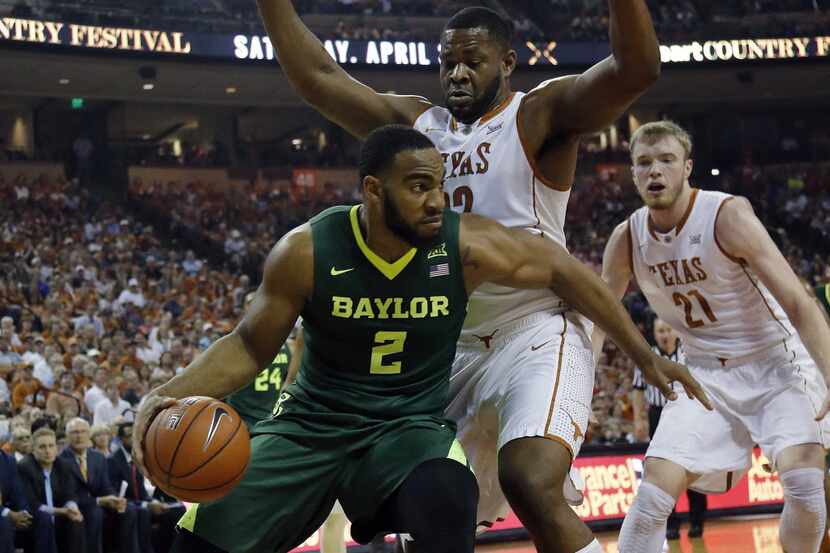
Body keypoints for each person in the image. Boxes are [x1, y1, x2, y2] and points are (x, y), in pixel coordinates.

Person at [132, 126, 705, 553]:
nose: (438, 200)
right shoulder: (307, 250)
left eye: (440, 184)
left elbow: (565, 271)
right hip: (312, 426)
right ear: (373, 192)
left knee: (449, 498)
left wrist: (643, 353)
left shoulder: (461, 245)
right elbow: (249, 346)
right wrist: (165, 394)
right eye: (419, 186)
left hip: (404, 429)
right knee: (198, 542)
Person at [256, 3, 662, 550]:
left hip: (536, 331)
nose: (457, 73)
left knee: (531, 481)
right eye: (447, 62)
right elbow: (318, 78)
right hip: (447, 348)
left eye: (472, 60)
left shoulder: (537, 116)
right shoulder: (415, 130)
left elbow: (636, 68)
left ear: (508, 62)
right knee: (432, 511)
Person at [595, 120, 830, 552]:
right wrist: (571, 408)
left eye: (666, 160)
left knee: (804, 486)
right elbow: (598, 321)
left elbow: (798, 302)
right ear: (632, 173)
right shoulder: (626, 239)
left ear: (687, 167)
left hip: (777, 362)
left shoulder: (727, 215)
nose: (654, 171)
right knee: (649, 502)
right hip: (702, 372)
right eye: (643, 162)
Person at [632, 318, 707, 540]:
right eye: (660, 331)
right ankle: (671, 524)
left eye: (667, 330)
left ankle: (697, 520)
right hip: (658, 414)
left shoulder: (688, 353)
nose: (664, 334)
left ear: (675, 331)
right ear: (654, 333)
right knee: (661, 471)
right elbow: (637, 389)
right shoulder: (647, 356)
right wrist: (639, 418)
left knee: (692, 468)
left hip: (687, 413)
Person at [60, 418, 134, 553]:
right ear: (67, 436)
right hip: (77, 506)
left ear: (89, 435)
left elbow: (106, 486)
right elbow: (69, 494)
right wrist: (99, 501)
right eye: (75, 432)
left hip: (98, 504)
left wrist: (115, 498)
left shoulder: (98, 457)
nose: (79, 436)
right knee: (95, 512)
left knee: (129, 509)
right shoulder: (61, 460)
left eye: (83, 432)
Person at [108, 421, 182, 553]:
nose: (134, 438)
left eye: (135, 435)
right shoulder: (113, 461)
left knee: (178, 511)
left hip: (142, 504)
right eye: (129, 435)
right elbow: (116, 495)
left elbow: (141, 491)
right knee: (142, 513)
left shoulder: (137, 456)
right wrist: (146, 505)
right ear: (120, 439)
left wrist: (152, 501)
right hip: (126, 506)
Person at [18, 428, 85, 553]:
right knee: (45, 519)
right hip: (34, 519)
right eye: (42, 447)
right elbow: (32, 504)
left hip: (59, 517)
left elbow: (70, 494)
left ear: (57, 448)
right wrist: (62, 511)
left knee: (76, 520)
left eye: (51, 446)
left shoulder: (63, 465)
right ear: (33, 450)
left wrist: (72, 508)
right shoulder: (25, 467)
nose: (48, 451)